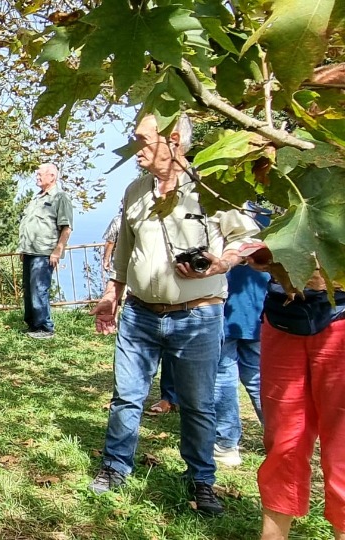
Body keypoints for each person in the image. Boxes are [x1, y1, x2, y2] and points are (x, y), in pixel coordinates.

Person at [88, 114, 260, 516]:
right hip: (139, 315)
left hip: (198, 317)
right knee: (126, 397)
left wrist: (222, 262)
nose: (136, 149)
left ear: (175, 140)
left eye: (143, 140)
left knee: (198, 403)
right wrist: (111, 294)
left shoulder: (210, 187)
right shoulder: (134, 191)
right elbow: (126, 250)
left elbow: (248, 237)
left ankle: (201, 480)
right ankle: (116, 468)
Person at [254, 269, 345, 539]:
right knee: (282, 441)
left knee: (342, 446)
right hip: (283, 318)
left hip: (340, 320)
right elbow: (256, 242)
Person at [211, 202, 271, 468]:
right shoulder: (267, 218)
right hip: (258, 309)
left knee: (224, 376)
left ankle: (226, 444)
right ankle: (279, 440)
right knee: (257, 377)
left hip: (226, 307)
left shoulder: (215, 211)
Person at [17, 163, 73, 339]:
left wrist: (58, 250)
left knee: (39, 289)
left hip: (44, 251)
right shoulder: (37, 198)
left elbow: (66, 228)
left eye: (40, 174)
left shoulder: (60, 198)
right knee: (29, 289)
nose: (37, 177)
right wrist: (23, 248)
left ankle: (45, 327)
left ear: (52, 177)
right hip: (30, 250)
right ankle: (33, 325)